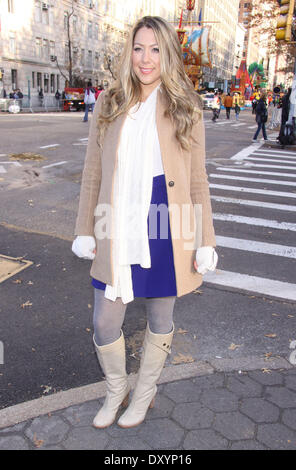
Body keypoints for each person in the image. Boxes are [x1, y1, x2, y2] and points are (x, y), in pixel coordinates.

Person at [72, 15, 217, 430]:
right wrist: (85, 228)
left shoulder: (185, 105)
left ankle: (145, 392)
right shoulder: (111, 100)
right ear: (129, 51)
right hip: (115, 218)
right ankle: (116, 389)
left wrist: (205, 238)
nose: (146, 58)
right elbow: (92, 173)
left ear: (167, 53)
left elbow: (197, 179)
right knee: (104, 320)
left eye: (155, 49)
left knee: (159, 317)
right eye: (139, 48)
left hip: (167, 221)